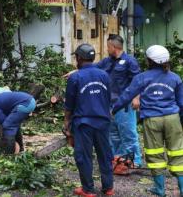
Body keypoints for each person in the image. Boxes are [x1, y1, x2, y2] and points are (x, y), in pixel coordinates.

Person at [112, 45, 183, 197]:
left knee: (155, 153)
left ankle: (159, 189)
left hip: (152, 120)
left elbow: (126, 95)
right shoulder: (175, 78)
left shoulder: (142, 77)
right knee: (177, 153)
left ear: (149, 61)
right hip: (172, 119)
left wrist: (113, 110)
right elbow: (181, 103)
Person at [65, 34, 142, 171]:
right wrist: (75, 71)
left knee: (128, 133)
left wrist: (136, 98)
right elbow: (90, 66)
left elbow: (137, 81)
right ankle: (118, 160)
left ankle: (134, 160)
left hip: (124, 105)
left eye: (108, 46)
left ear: (114, 46)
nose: (107, 49)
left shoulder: (130, 61)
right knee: (113, 134)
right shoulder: (107, 62)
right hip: (109, 104)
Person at [64, 43, 113, 197]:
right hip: (103, 122)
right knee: (104, 154)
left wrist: (67, 124)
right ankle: (108, 187)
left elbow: (69, 104)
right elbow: (108, 99)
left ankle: (88, 190)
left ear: (79, 57)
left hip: (83, 124)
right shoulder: (104, 75)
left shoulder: (75, 77)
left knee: (84, 156)